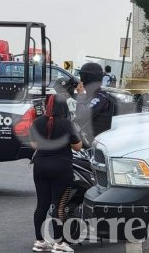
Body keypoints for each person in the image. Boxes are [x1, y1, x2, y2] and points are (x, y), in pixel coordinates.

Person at [30, 95, 82, 253]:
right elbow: (77, 147)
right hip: (61, 168)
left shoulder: (37, 123)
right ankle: (59, 243)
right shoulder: (67, 124)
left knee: (42, 205)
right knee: (59, 206)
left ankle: (39, 241)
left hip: (40, 167)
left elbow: (34, 145)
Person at [75, 63, 114, 148]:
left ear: (87, 79)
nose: (80, 81)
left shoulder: (99, 98)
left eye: (82, 78)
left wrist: (80, 95)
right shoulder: (92, 96)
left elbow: (81, 115)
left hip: (93, 145)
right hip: (87, 140)